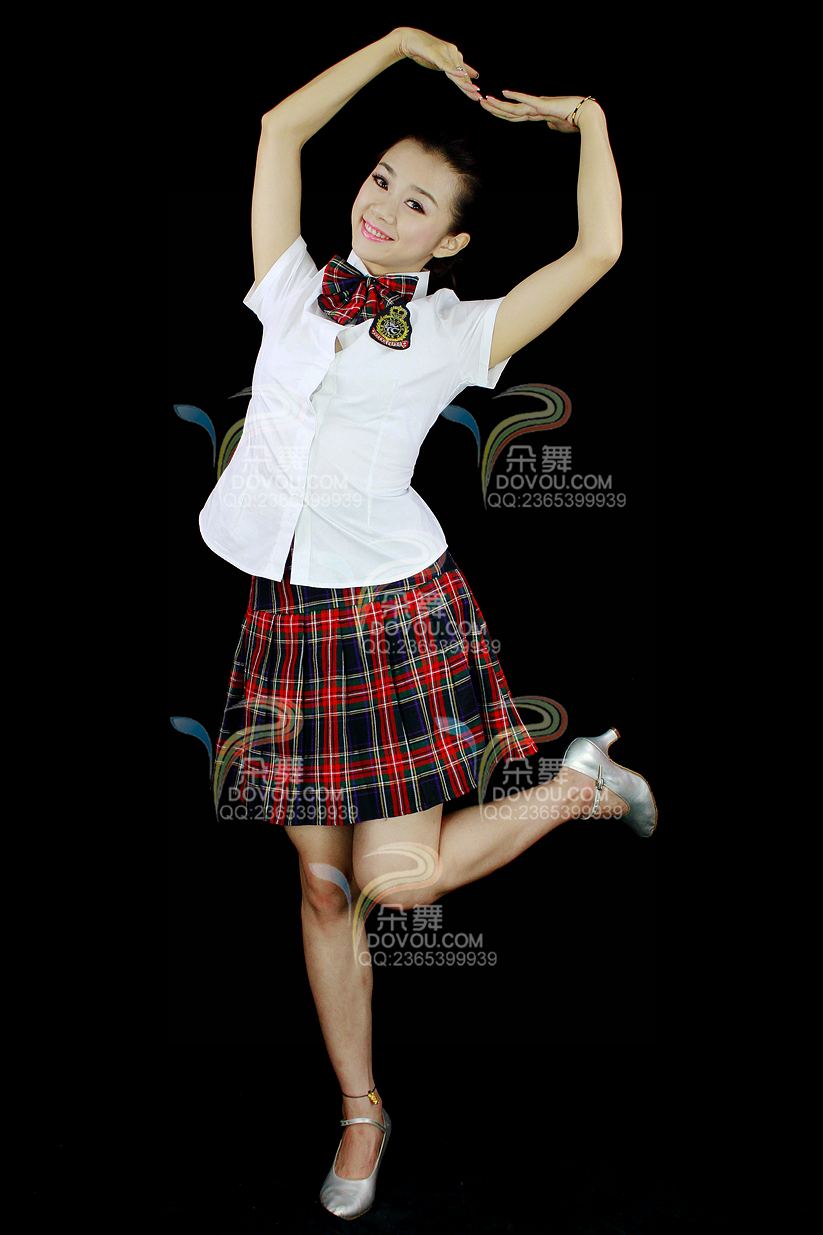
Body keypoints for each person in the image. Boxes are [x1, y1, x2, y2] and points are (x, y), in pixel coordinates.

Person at [198, 27, 656, 1221]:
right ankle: (362, 1109)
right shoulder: (290, 284)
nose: (384, 208)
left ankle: (577, 787)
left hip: (397, 617)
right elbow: (279, 129)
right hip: (286, 615)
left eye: (417, 205)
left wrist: (588, 118)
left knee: (395, 883)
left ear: (449, 240)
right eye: (380, 180)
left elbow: (599, 249)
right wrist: (398, 44)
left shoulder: (457, 331)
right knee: (321, 889)